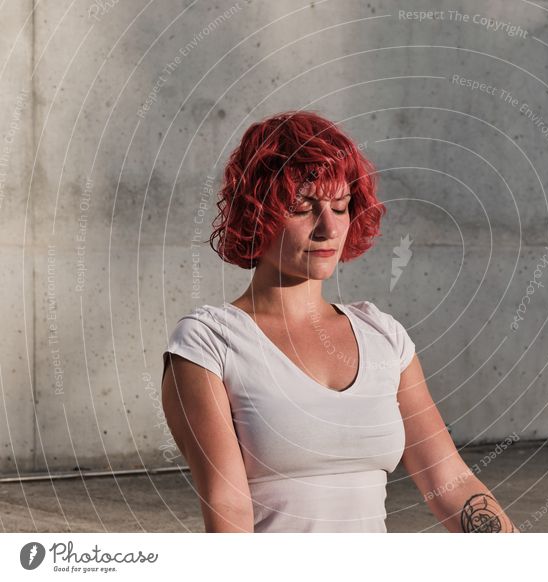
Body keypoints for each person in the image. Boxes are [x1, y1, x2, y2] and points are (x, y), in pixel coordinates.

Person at [161, 110, 519, 533]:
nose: (328, 228)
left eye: (340, 206)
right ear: (257, 214)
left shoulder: (383, 337)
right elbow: (229, 513)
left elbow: (452, 485)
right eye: (302, 207)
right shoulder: (208, 344)